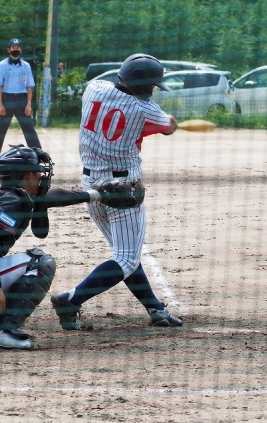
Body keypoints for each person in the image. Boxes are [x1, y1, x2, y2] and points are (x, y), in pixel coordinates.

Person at [0, 144, 122, 349]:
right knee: (40, 264)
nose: (42, 176)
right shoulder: (12, 200)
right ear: (28, 175)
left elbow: (52, 197)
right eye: (38, 171)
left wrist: (95, 195)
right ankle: (1, 331)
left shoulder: (2, 195)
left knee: (0, 270)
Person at [50, 53, 184, 331]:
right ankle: (71, 299)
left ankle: (156, 309)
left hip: (91, 187)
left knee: (126, 256)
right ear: (143, 85)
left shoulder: (94, 88)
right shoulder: (145, 109)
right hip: (124, 189)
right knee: (126, 258)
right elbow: (169, 126)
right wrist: (171, 123)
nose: (153, 89)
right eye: (152, 85)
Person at [0, 38, 41, 164]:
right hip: (7, 99)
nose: (15, 49)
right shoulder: (2, 65)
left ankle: (38, 154)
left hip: (22, 99)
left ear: (21, 49)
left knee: (29, 128)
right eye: (13, 47)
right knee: (0, 129)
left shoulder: (26, 66)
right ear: (8, 49)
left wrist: (28, 104)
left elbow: (29, 87)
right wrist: (0, 104)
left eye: (18, 47)